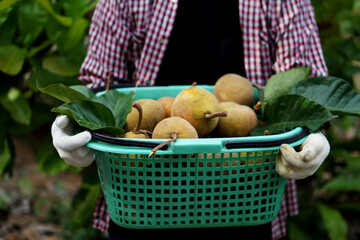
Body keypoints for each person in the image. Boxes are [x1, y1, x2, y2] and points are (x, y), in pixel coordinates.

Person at [51, 0, 330, 239]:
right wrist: (78, 122)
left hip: (248, 198)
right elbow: (102, 85)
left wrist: (312, 131)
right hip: (141, 196)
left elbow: (307, 83)